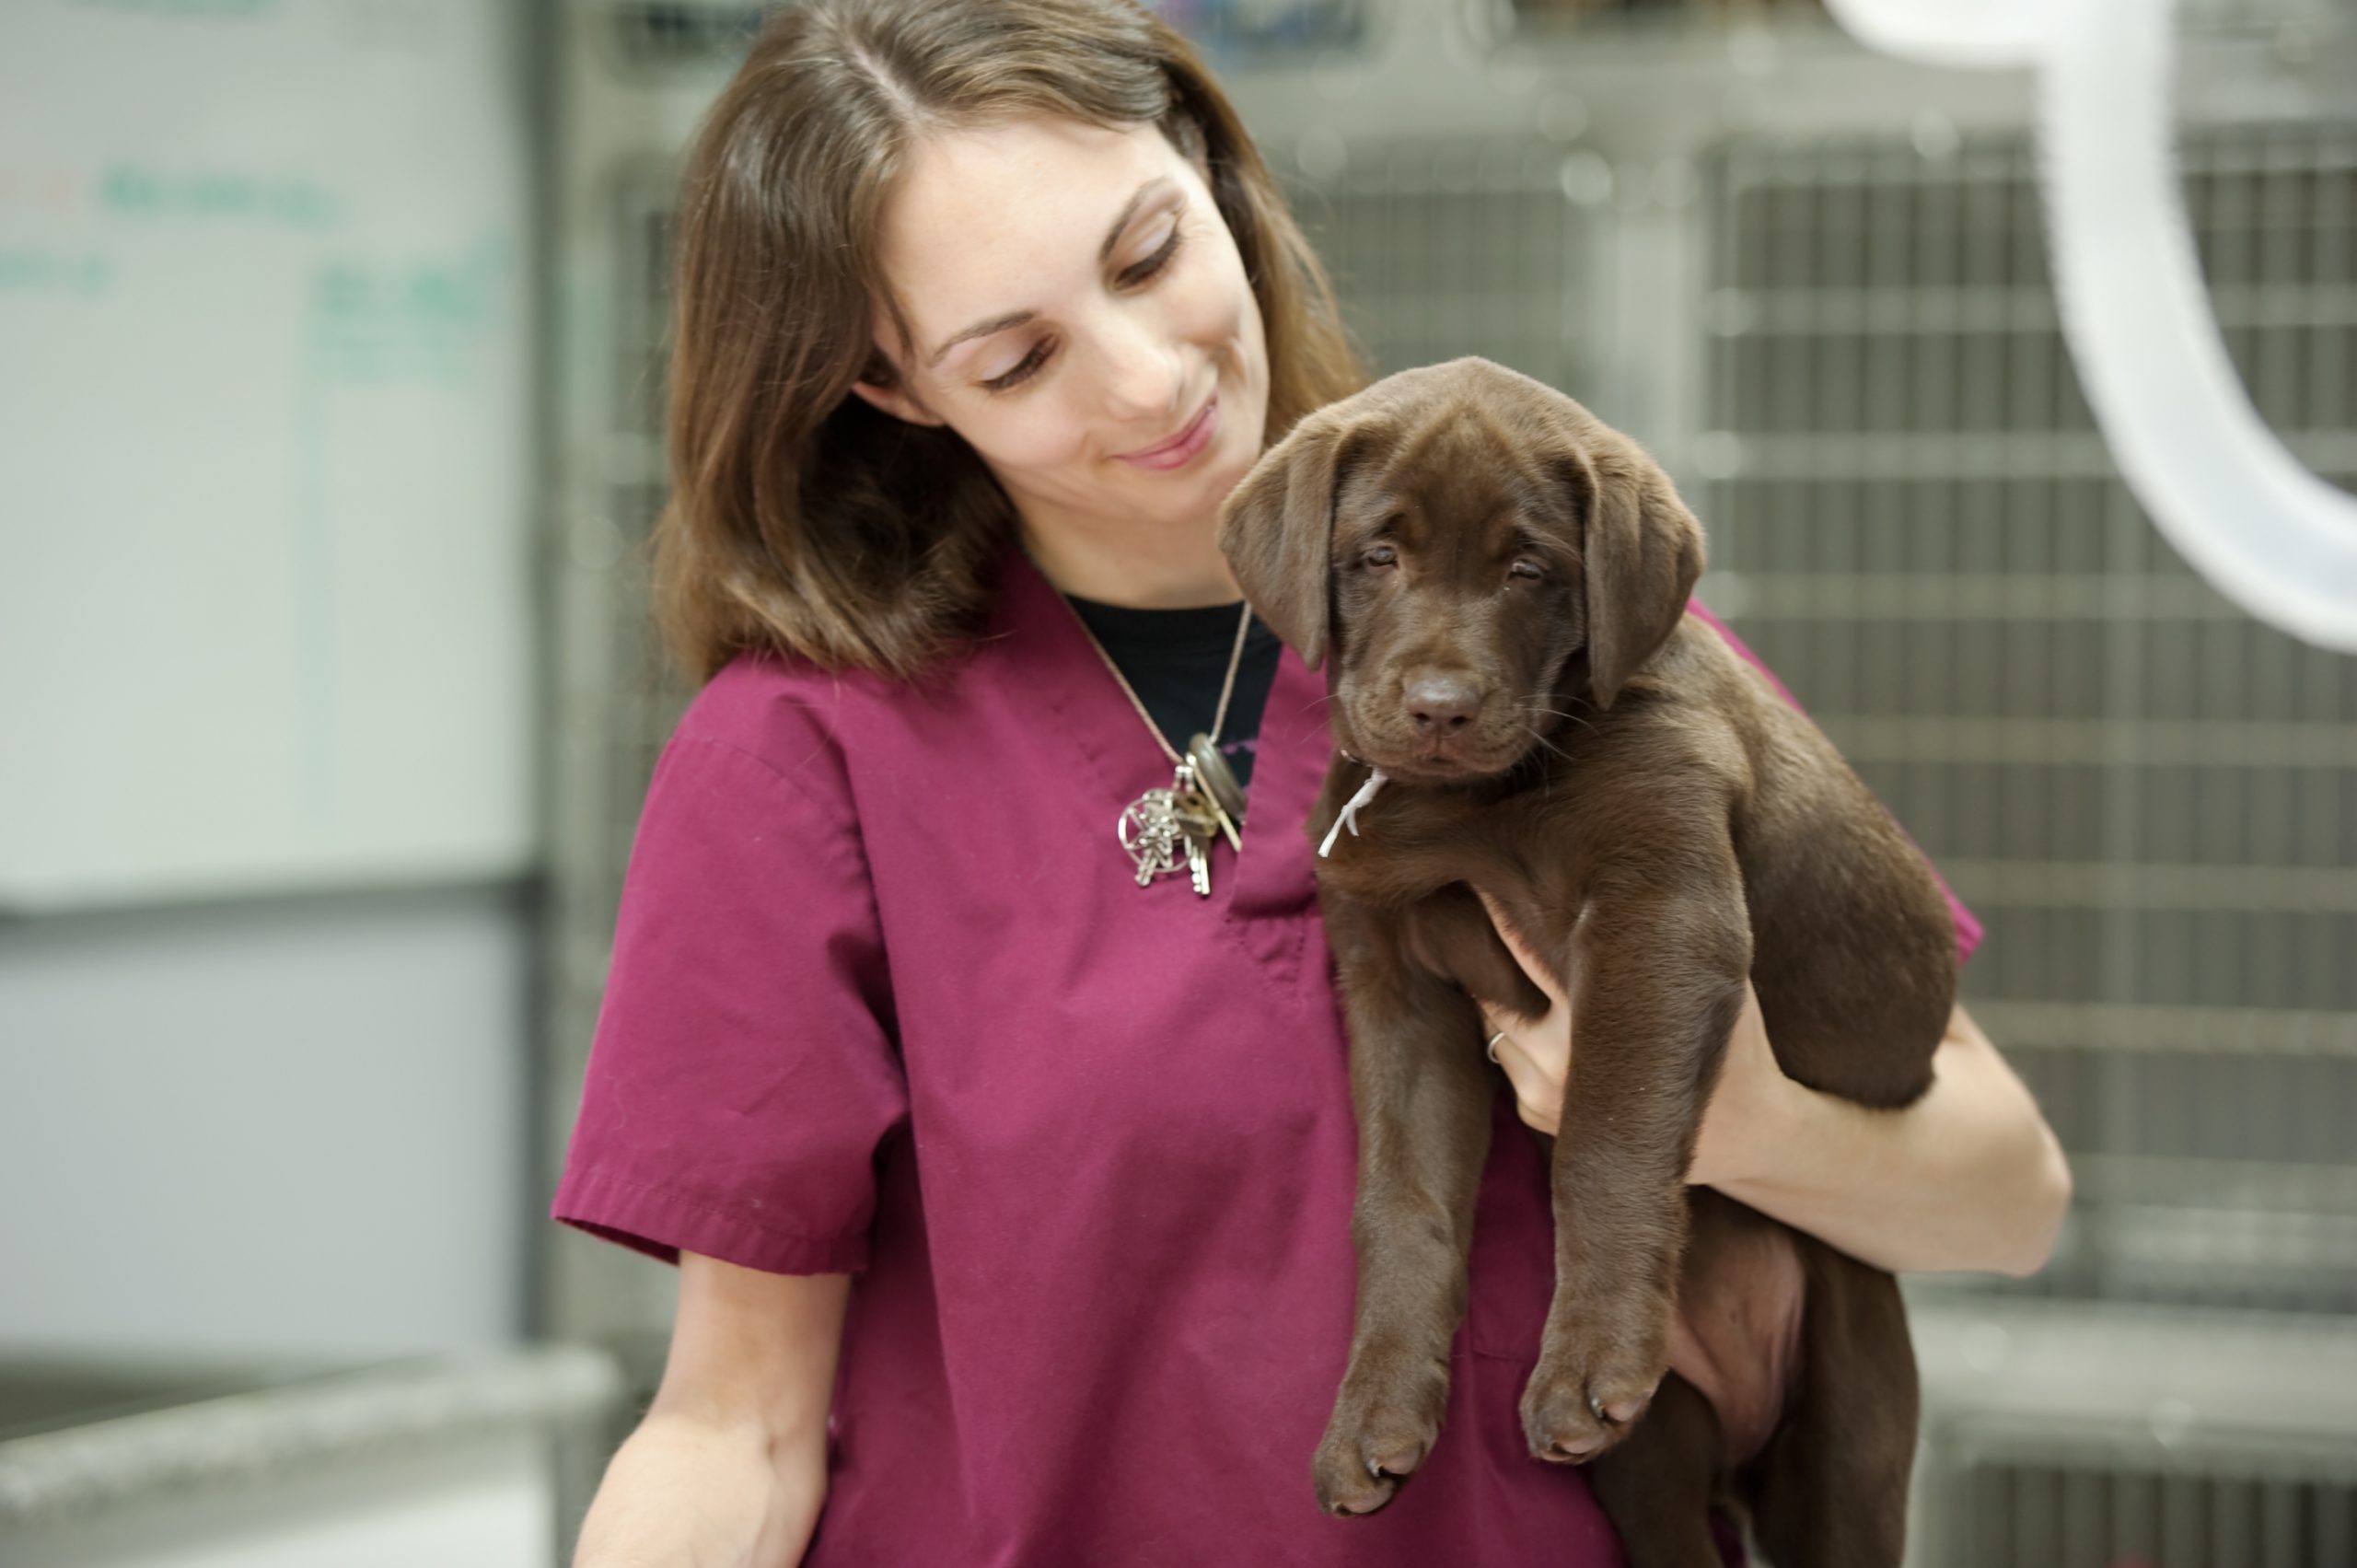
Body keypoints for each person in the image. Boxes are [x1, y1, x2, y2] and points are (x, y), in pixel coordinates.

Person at [552, 2, 2073, 1563]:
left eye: (1148, 256)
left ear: (1212, 173)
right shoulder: (803, 760)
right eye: (1017, 357)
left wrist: (1737, 1121)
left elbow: (2009, 1196)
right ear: (896, 389)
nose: (1148, 382)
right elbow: (730, 1429)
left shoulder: (1570, 649)